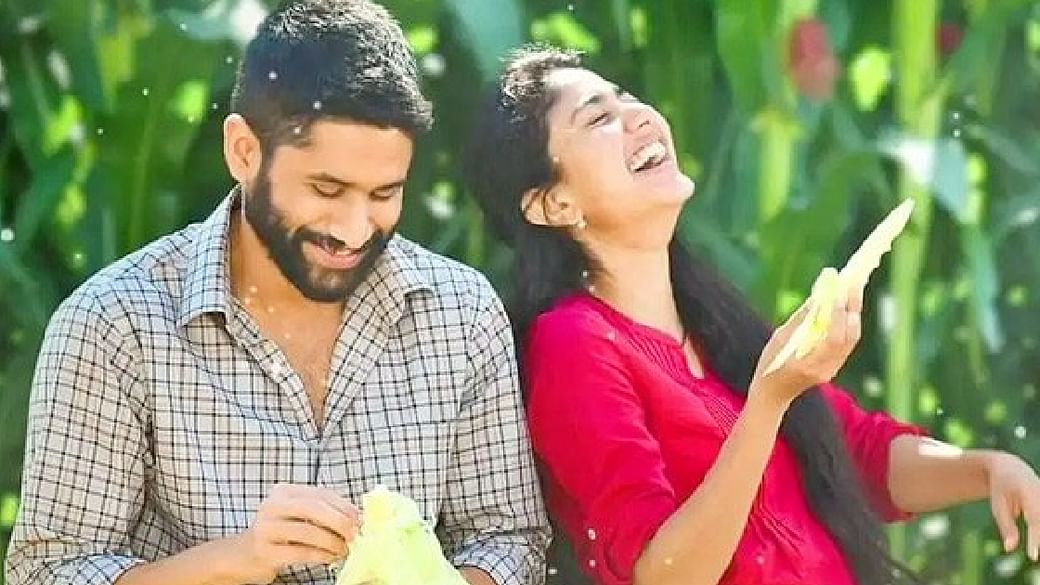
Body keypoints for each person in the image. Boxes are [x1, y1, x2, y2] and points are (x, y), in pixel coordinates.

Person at [5, 3, 549, 584]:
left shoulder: (462, 312)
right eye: (326, 189)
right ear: (244, 152)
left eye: (384, 193)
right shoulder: (113, 325)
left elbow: (507, 541)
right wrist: (241, 560)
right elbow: (49, 572)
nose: (354, 229)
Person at [463, 44, 1040, 585]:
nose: (638, 116)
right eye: (598, 118)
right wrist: (768, 402)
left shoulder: (714, 321)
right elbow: (661, 571)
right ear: (553, 204)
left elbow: (857, 451)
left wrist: (986, 469)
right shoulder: (572, 345)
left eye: (627, 98)